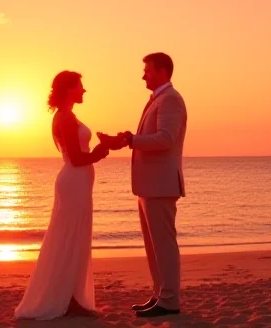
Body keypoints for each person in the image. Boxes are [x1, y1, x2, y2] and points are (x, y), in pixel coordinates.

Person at [14, 71, 110, 320]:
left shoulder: (69, 116)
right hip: (74, 183)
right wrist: (100, 152)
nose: (84, 90)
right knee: (69, 239)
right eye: (80, 86)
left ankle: (73, 297)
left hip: (79, 184)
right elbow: (77, 159)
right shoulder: (65, 118)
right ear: (68, 89)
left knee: (76, 240)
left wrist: (105, 146)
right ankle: (66, 299)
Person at [98, 52, 187, 318]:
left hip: (160, 185)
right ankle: (161, 294)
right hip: (149, 186)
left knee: (164, 245)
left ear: (161, 71)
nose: (143, 75)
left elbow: (165, 139)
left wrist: (130, 140)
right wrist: (126, 139)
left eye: (147, 70)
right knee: (153, 246)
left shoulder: (171, 99)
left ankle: (170, 300)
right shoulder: (158, 99)